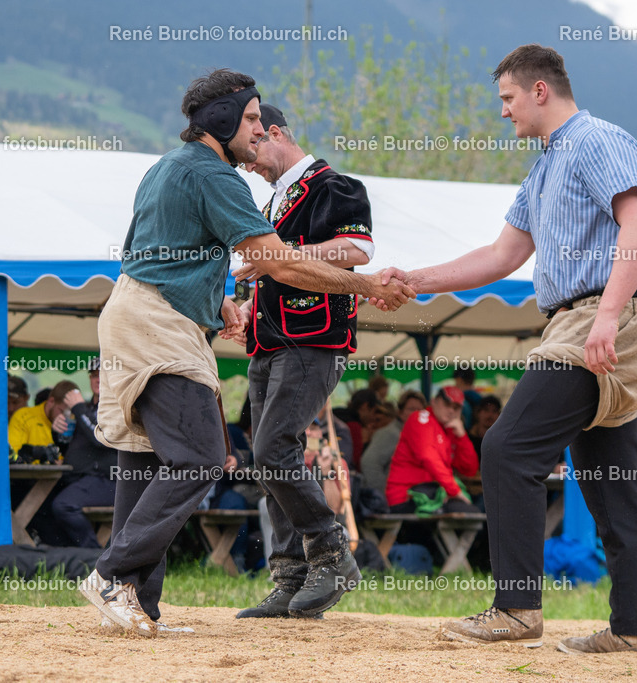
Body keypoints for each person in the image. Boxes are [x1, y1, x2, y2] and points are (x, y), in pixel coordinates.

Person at [81, 69, 412, 637]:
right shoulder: (217, 178)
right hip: (161, 324)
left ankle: (137, 604)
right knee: (201, 456)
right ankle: (113, 574)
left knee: (148, 458)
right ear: (224, 120)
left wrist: (219, 307)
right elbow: (280, 263)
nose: (259, 131)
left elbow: (166, 256)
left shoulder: (167, 166)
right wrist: (370, 287)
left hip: (134, 312)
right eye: (252, 118)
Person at [373, 43, 637, 652]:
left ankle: (516, 608)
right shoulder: (542, 167)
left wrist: (606, 318)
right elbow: (501, 256)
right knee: (613, 480)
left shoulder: (596, 140)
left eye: (507, 98)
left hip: (603, 317)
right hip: (575, 320)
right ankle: (636, 630)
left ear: (539, 90)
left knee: (507, 448)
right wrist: (414, 280)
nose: (502, 111)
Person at [227, 102, 378, 620]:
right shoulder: (275, 203)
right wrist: (250, 303)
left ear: (273, 133)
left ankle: (332, 554)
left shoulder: (335, 186)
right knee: (269, 456)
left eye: (251, 153)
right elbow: (279, 269)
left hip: (315, 342)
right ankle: (291, 577)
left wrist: (281, 258)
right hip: (270, 341)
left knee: (273, 449)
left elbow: (356, 250)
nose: (248, 165)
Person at [49, 360, 117, 548]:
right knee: (43, 503)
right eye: (94, 375)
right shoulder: (85, 410)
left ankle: (93, 557)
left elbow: (101, 438)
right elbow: (72, 446)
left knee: (63, 505)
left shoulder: (116, 407)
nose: (98, 378)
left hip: (109, 481)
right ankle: (57, 557)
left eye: (102, 374)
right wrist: (58, 433)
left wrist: (78, 409)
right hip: (79, 478)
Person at [385, 386, 479, 514]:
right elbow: (428, 457)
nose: (451, 410)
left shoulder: (450, 430)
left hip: (433, 496)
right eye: (447, 404)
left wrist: (462, 437)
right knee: (472, 515)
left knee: (478, 512)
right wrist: (454, 491)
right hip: (407, 497)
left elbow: (469, 469)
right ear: (434, 401)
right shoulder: (421, 418)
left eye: (456, 407)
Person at [360, 389, 426, 491]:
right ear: (400, 412)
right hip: (392, 501)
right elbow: (369, 463)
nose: (416, 413)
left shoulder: (416, 435)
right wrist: (386, 494)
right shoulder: (390, 434)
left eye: (420, 410)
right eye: (412, 409)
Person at [8, 380, 80, 463]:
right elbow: (12, 454)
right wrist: (33, 453)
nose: (65, 418)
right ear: (51, 401)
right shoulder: (22, 416)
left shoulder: (72, 424)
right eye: (62, 411)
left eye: (71, 414)